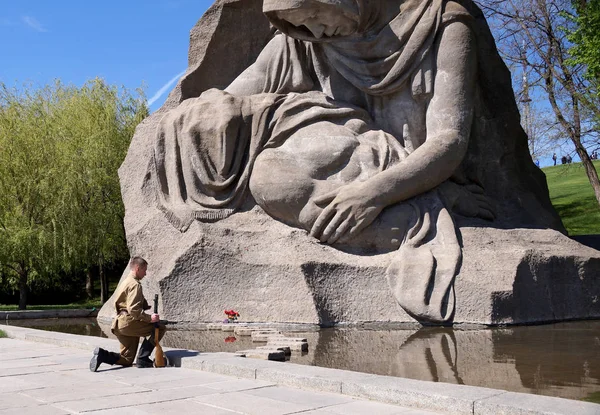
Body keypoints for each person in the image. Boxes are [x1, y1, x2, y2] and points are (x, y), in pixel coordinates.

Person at [89, 257, 165, 371]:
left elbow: (124, 302)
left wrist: (143, 305)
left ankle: (102, 355)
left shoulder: (125, 281)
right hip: (128, 323)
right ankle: (143, 359)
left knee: (127, 359)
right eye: (144, 270)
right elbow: (133, 310)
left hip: (119, 323)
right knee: (160, 328)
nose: (145, 273)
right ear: (138, 268)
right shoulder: (135, 284)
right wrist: (150, 318)